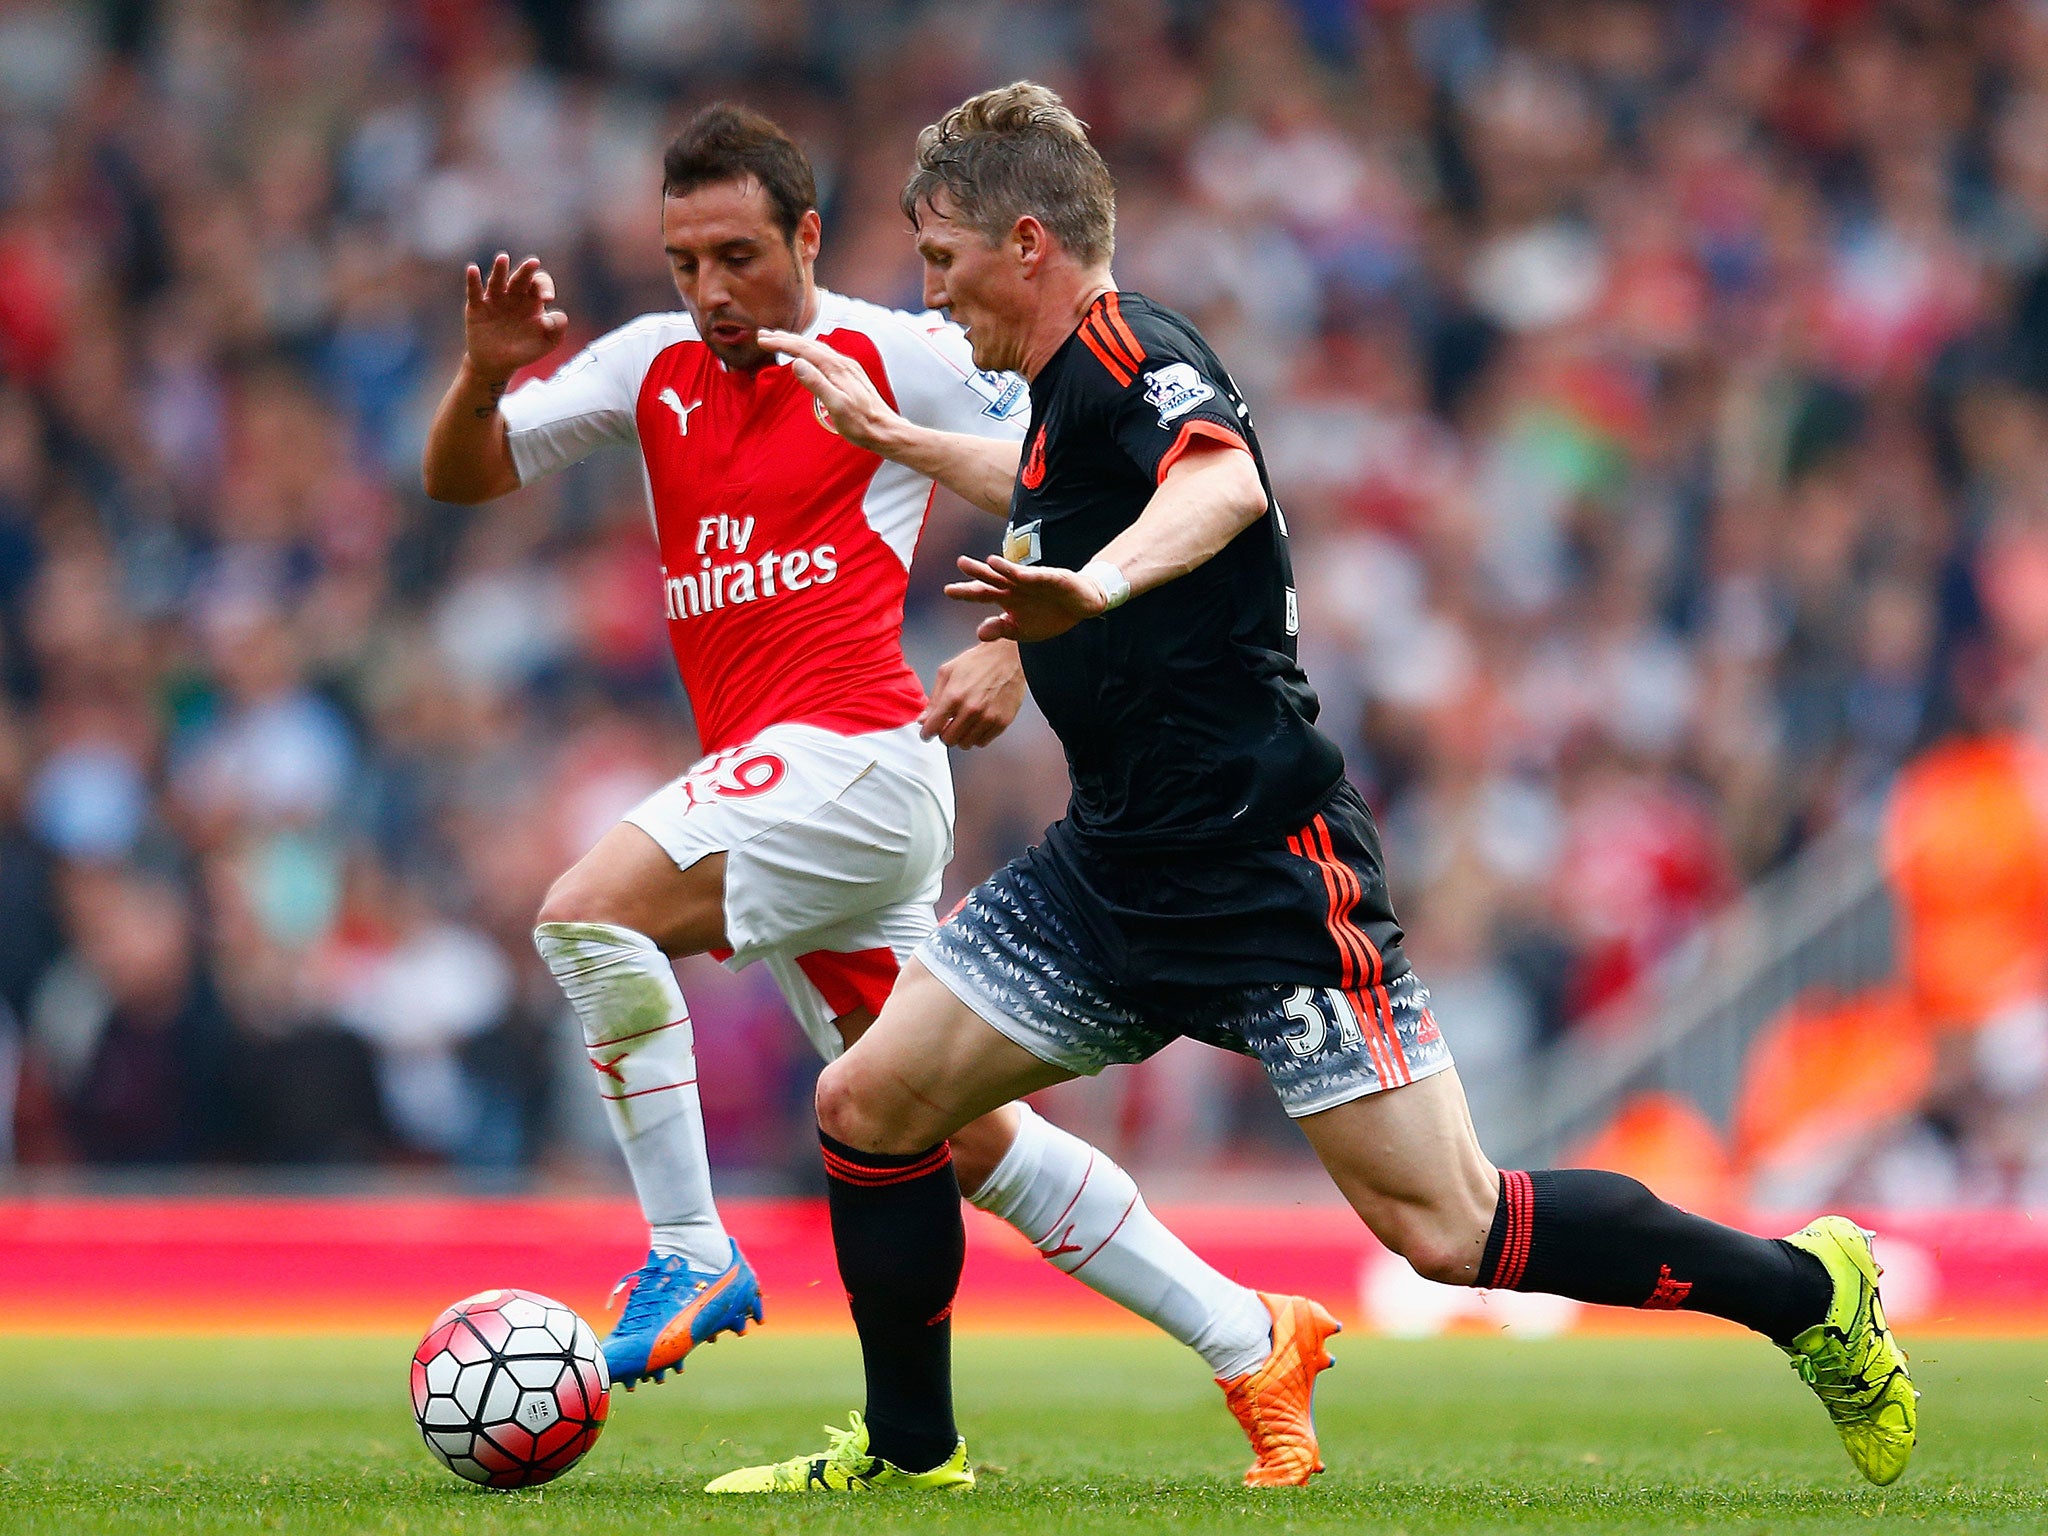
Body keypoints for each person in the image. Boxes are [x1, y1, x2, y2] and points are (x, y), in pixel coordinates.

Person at [708, 82, 1919, 1495]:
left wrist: (1084, 590)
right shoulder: (1062, 399)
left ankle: (1805, 1293)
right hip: (1112, 872)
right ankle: (914, 1455)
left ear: (1024, 242)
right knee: (869, 1106)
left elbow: (1216, 486)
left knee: (1451, 1227)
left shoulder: (1132, 348)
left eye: (939, 255)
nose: (930, 288)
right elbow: (1045, 484)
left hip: (1266, 874)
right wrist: (894, 437)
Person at [420, 103, 1320, 1482]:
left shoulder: (895, 351)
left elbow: (1075, 480)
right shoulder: (649, 364)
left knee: (584, 914)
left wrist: (1019, 645)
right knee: (960, 1139)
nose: (713, 291)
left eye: (739, 254)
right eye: (684, 263)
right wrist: (482, 382)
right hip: (779, 792)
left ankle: (685, 1252)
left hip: (850, 760)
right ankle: (1249, 1336)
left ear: (808, 238)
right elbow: (464, 478)